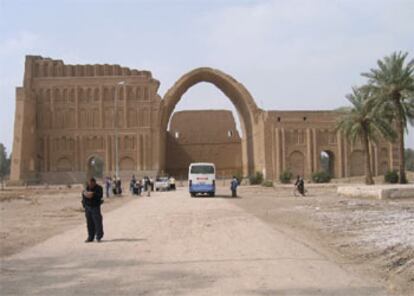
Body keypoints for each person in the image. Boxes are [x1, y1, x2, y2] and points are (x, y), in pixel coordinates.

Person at [82, 178, 104, 243]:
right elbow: (83, 196)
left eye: (91, 183)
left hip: (95, 207)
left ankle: (98, 236)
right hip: (88, 208)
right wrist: (84, 204)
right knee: (89, 223)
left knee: (97, 222)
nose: (90, 185)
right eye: (89, 183)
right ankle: (90, 237)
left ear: (94, 183)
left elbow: (100, 196)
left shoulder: (99, 188)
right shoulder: (86, 188)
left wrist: (93, 194)